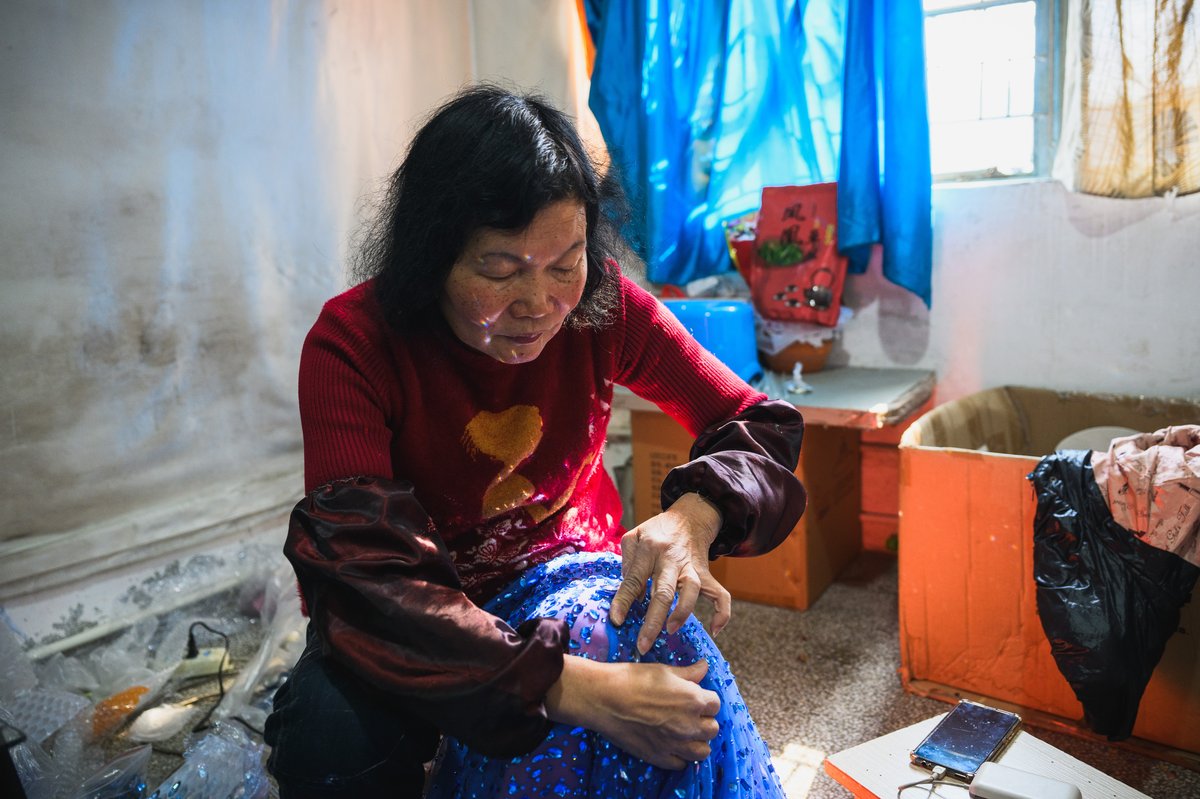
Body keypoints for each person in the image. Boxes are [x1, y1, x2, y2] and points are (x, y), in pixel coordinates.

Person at [263, 84, 808, 798]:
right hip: (427, 614)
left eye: (565, 261)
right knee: (329, 742)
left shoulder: (601, 306)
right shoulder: (354, 344)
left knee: (662, 673)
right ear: (431, 255)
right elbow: (369, 584)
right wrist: (568, 687)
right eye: (499, 269)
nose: (540, 305)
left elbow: (758, 420)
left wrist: (695, 515)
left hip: (566, 571)